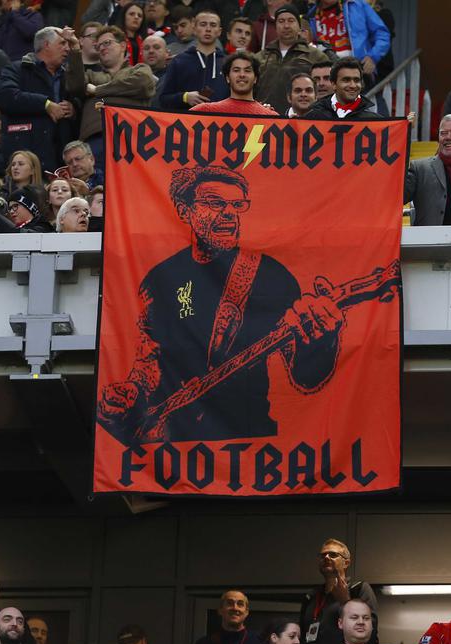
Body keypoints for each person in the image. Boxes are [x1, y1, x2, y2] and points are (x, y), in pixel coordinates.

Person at [95, 164, 344, 444]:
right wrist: (129, 392)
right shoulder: (158, 280)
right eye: (215, 203)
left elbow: (305, 378)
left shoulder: (272, 276)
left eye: (237, 204)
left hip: (247, 441)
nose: (229, 213)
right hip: (174, 443)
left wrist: (324, 341)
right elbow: (149, 361)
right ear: (183, 210)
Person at [0, 26, 80, 176]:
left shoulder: (68, 75)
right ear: (46, 44)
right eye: (62, 43)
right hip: (23, 157)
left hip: (57, 162)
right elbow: (5, 96)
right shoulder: (17, 69)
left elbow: (80, 98)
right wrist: (45, 104)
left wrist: (73, 109)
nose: (67, 49)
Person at [73, 24, 157, 163]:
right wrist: (75, 50)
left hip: (133, 136)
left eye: (107, 43)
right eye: (99, 46)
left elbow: (142, 84)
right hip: (97, 136)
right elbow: (75, 86)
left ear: (123, 45)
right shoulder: (90, 74)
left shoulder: (140, 69)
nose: (102, 48)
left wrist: (97, 90)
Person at [298, 540, 378, 644]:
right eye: (322, 555)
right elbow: (301, 633)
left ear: (346, 563)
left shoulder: (359, 589)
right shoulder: (311, 596)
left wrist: (345, 601)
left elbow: (370, 632)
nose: (326, 557)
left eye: (333, 555)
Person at [255, 5, 329, 114]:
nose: (286, 25)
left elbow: (327, 89)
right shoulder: (259, 57)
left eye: (291, 21)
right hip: (265, 117)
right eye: (281, 21)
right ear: (275, 27)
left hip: (303, 119)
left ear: (299, 27)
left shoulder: (316, 56)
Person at [155, 11, 227, 110]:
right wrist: (184, 97)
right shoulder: (179, 61)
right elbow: (163, 99)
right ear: (194, 29)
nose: (208, 29)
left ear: (219, 31)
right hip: (187, 123)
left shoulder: (228, 63)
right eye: (203, 24)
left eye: (213, 25)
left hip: (220, 123)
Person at [307, 0, 390, 82]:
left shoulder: (356, 5)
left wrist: (373, 57)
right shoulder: (311, 15)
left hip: (359, 72)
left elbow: (382, 34)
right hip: (325, 77)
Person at [192, 51, 278, 114]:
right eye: (236, 70)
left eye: (247, 70)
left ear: (255, 78)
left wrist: (265, 114)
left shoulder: (269, 116)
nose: (242, 75)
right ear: (227, 78)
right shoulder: (206, 111)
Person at [303, 58, 379, 119]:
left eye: (356, 80)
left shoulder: (374, 121)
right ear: (334, 84)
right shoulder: (311, 118)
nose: (352, 85)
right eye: (346, 80)